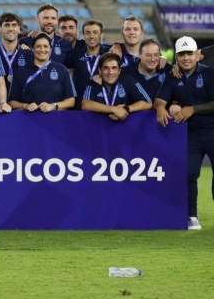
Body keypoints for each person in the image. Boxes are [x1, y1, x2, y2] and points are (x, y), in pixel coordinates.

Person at [154, 36, 214, 231]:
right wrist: (161, 108)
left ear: (198, 55)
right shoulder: (173, 76)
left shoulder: (209, 73)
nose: (186, 58)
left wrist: (192, 109)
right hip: (192, 135)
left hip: (212, 130)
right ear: (177, 58)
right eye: (182, 54)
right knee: (189, 175)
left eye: (190, 53)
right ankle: (191, 217)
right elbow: (160, 99)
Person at [8, 33, 76, 112]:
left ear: (51, 49)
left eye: (45, 46)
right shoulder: (21, 71)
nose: (42, 50)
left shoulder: (62, 69)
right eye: (38, 46)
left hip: (56, 120)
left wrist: (53, 106)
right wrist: (25, 106)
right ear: (32, 48)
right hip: (29, 121)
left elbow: (71, 101)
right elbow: (11, 102)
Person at [82, 52, 151, 120]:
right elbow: (85, 104)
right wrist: (114, 109)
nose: (110, 72)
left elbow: (148, 103)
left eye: (114, 68)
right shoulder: (94, 83)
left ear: (119, 71)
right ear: (100, 71)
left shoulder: (127, 81)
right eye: (106, 68)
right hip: (100, 128)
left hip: (126, 128)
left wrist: (126, 109)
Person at [66, 20, 110, 107]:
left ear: (102, 35)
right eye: (88, 33)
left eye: (95, 32)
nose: (91, 36)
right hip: (79, 106)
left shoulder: (109, 53)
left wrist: (117, 45)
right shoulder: (75, 55)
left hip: (104, 104)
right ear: (83, 36)